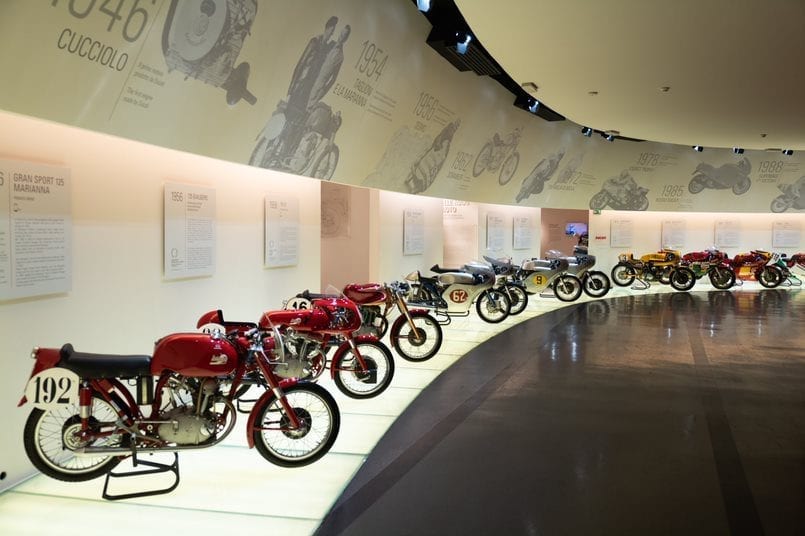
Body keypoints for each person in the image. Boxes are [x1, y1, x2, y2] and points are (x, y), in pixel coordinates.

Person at [308, 25, 351, 108]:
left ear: (346, 39)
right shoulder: (330, 44)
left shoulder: (340, 57)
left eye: (344, 36)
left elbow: (333, 79)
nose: (341, 37)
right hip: (310, 80)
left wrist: (322, 92)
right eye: (341, 34)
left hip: (318, 88)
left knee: (306, 112)